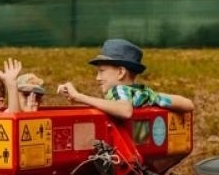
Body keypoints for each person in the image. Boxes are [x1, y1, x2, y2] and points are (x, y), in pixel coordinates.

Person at [57, 38, 194, 120]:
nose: (97, 78)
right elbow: (188, 104)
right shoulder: (144, 93)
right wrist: (156, 99)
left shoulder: (119, 90)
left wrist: (79, 97)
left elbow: (125, 111)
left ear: (121, 72)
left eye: (102, 71)